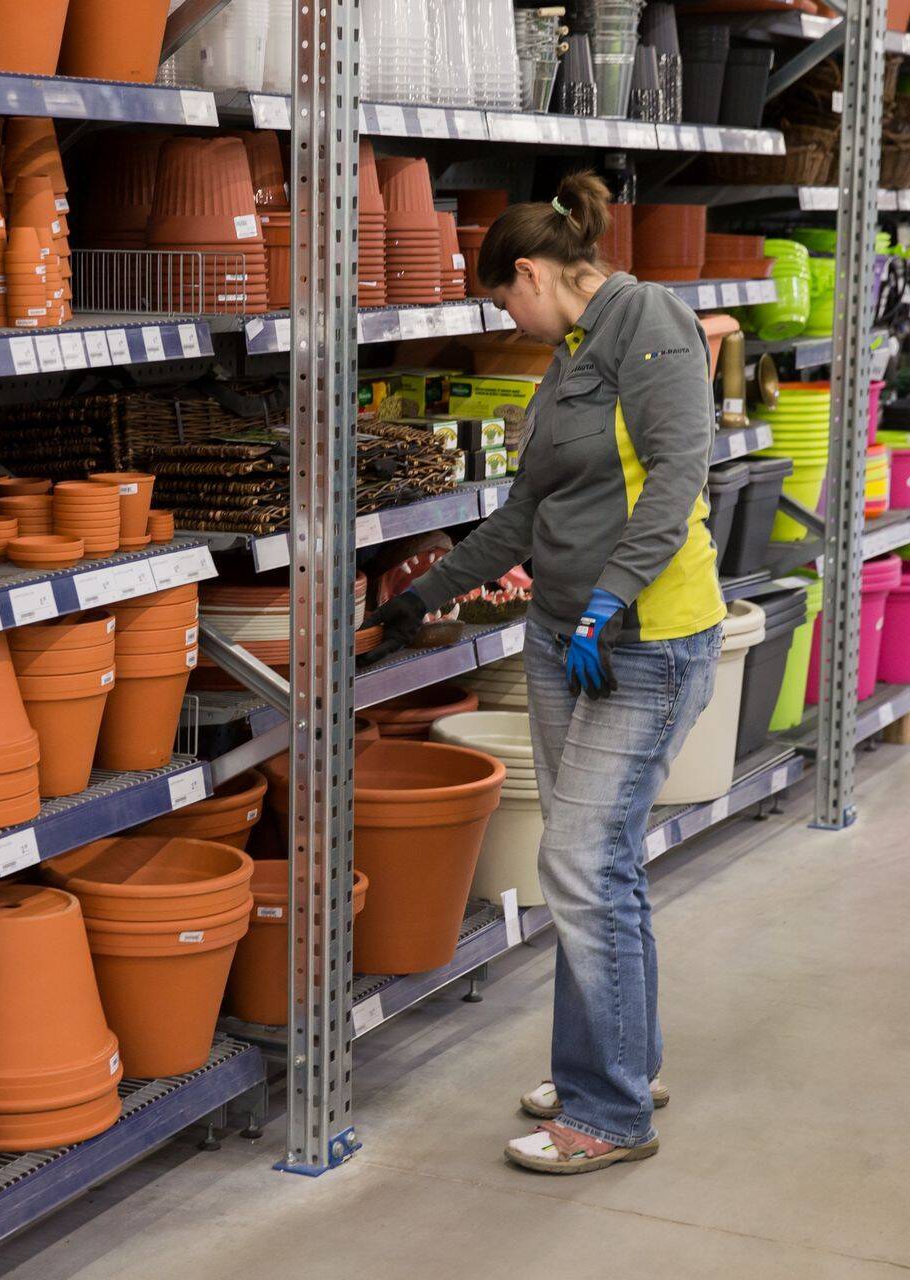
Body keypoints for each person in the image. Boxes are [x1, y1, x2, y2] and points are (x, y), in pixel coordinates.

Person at [363, 171, 724, 1174]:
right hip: (564, 639)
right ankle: (617, 1062)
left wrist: (610, 599)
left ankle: (609, 1113)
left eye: (501, 302)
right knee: (596, 865)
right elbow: (525, 514)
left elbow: (679, 478)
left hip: (645, 638)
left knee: (577, 860)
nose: (505, 322)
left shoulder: (650, 323)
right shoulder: (565, 362)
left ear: (530, 272)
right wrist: (425, 594)